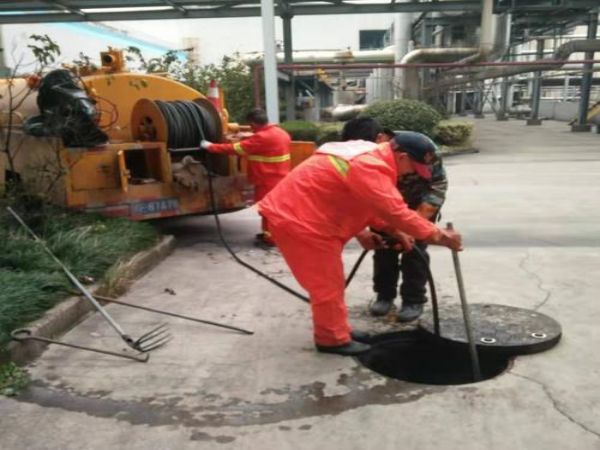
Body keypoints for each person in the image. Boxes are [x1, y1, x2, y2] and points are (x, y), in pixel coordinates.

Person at [257, 117, 462, 357]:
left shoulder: (369, 156)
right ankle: (331, 340)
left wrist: (394, 231)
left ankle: (339, 329)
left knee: (331, 283)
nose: (412, 175)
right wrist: (440, 236)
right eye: (414, 169)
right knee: (328, 286)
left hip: (310, 219)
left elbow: (367, 205)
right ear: (403, 157)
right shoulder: (371, 165)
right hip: (301, 222)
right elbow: (395, 211)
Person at [370, 129, 448, 322]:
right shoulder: (376, 154)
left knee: (415, 251)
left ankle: (414, 299)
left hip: (418, 204)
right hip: (384, 204)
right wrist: (393, 226)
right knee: (384, 248)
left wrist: (415, 222)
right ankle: (384, 295)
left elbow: (437, 186)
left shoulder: (429, 153)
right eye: (414, 167)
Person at [201, 108, 292, 247]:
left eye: (251, 126)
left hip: (266, 180)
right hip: (279, 178)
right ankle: (270, 234)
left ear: (253, 124)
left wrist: (210, 146)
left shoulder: (261, 138)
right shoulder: (281, 133)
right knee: (273, 209)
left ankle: (271, 239)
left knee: (268, 210)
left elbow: (235, 149)